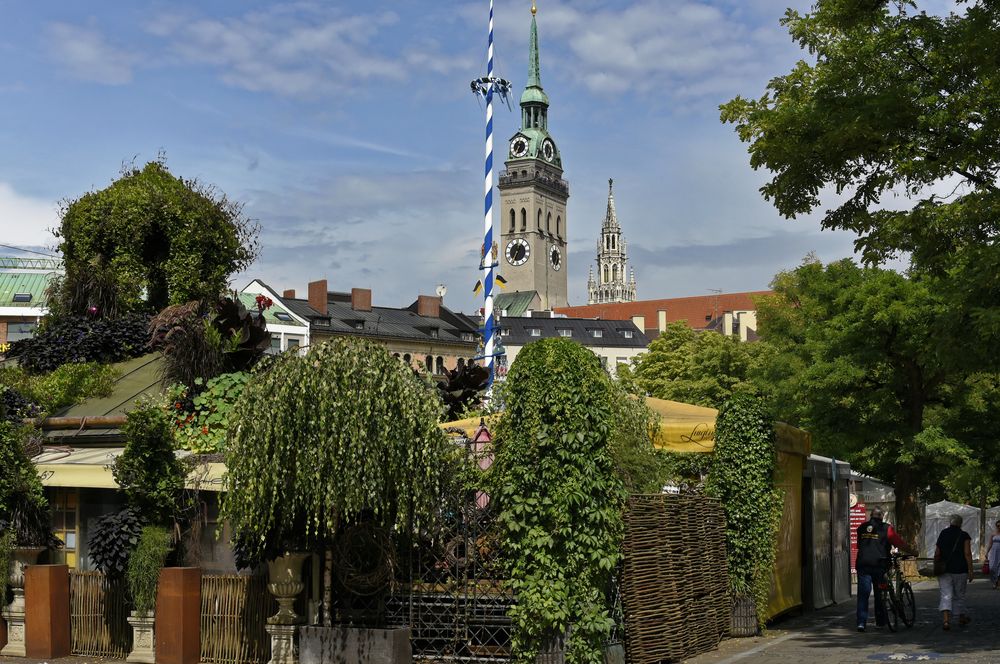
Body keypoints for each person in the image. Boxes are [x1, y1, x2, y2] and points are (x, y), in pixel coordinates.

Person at [855, 507, 911, 632]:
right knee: (880, 593)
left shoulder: (861, 527)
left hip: (863, 564)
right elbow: (899, 543)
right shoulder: (887, 528)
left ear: (871, 515)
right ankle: (880, 621)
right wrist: (913, 552)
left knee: (863, 594)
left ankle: (861, 623)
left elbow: (859, 545)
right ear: (882, 516)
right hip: (879, 564)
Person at [935, 513, 974, 630]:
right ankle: (961, 617)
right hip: (960, 569)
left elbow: (937, 552)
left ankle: (946, 621)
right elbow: (967, 553)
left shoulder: (943, 533)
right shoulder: (964, 535)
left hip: (944, 569)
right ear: (961, 523)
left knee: (946, 594)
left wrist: (936, 564)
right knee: (959, 594)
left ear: (949, 522)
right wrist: (971, 570)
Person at [984, 520, 1000, 589]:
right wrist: (987, 552)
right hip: (994, 552)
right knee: (992, 567)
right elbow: (990, 544)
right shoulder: (993, 533)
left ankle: (998, 583)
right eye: (998, 525)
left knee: (999, 567)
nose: (999, 527)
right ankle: (994, 581)